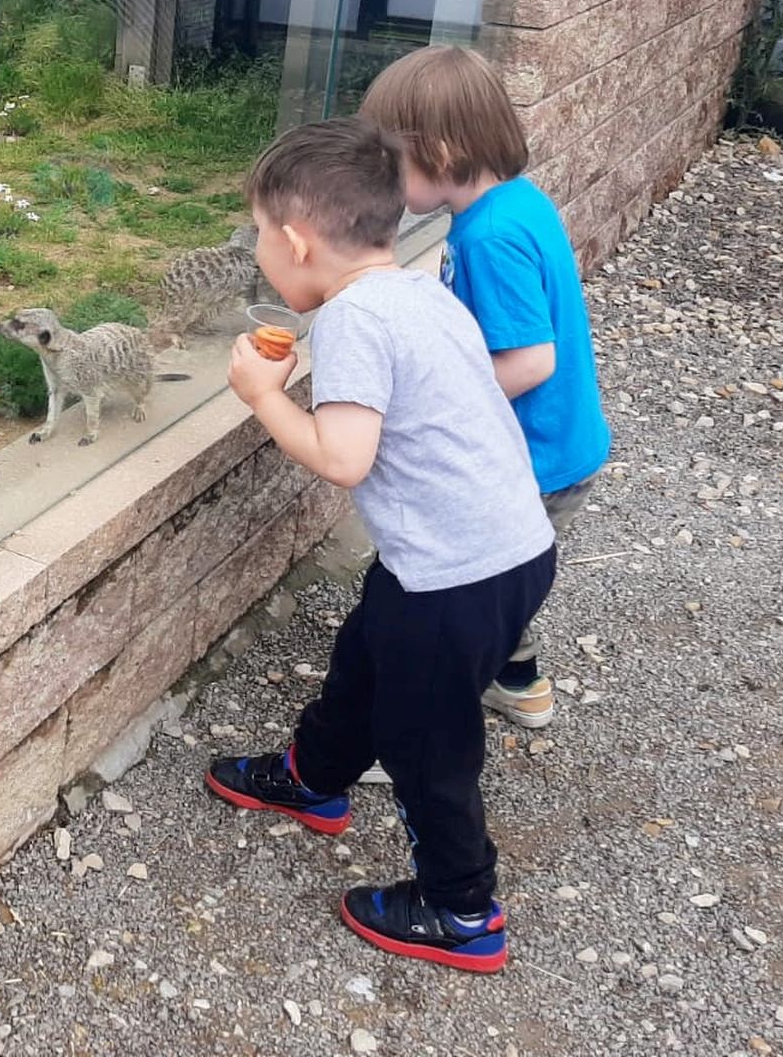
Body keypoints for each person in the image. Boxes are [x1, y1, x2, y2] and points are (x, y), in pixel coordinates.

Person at [207, 118, 555, 973]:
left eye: (260, 233)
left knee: (424, 742)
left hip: (456, 575)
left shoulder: (353, 320)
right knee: (367, 654)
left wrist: (263, 395)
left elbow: (342, 457)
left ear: (296, 241)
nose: (260, 250)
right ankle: (313, 776)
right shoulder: (419, 292)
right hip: (502, 549)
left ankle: (462, 909)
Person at [361, 46, 611, 730]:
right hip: (558, 446)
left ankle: (416, 729)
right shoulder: (515, 203)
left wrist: (434, 404)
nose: (382, 177)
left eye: (391, 161)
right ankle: (517, 679)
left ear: (440, 153)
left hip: (530, 456)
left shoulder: (489, 237)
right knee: (500, 585)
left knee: (462, 595)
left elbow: (531, 361)